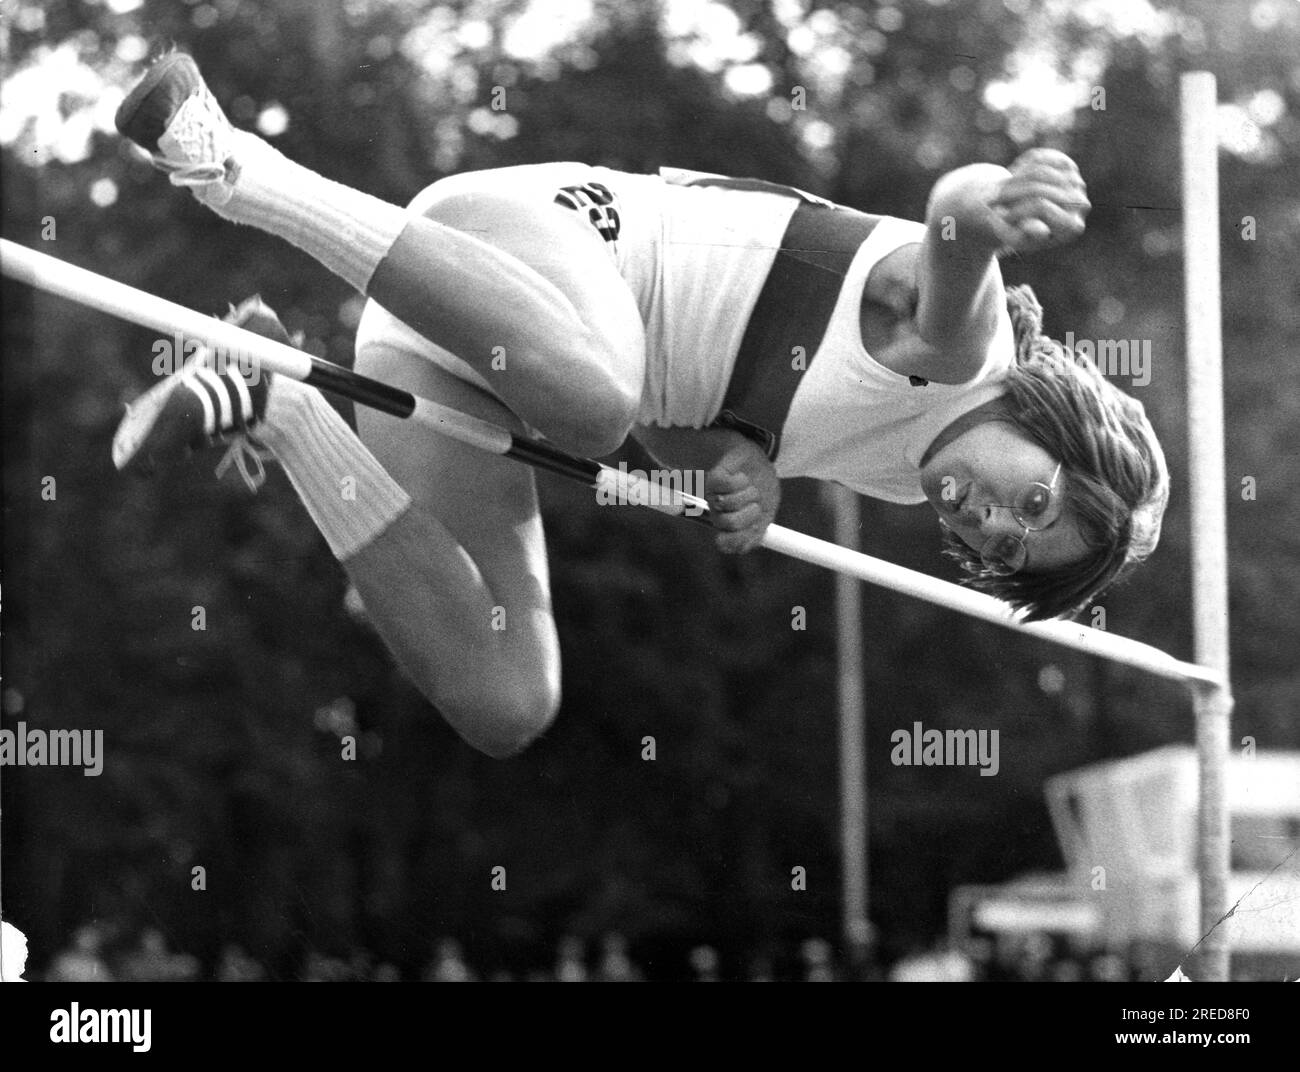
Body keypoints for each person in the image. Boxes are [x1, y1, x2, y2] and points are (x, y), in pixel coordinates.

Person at [111, 53, 1168, 759]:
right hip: (525, 236)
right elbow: (949, 228)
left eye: (1005, 552)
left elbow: (667, 412)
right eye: (1032, 506)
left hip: (468, 350)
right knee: (590, 396)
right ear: (1046, 427)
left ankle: (274, 391)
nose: (989, 527)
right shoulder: (963, 347)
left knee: (507, 698)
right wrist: (986, 202)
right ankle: (236, 169)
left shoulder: (904, 476)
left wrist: (730, 463)